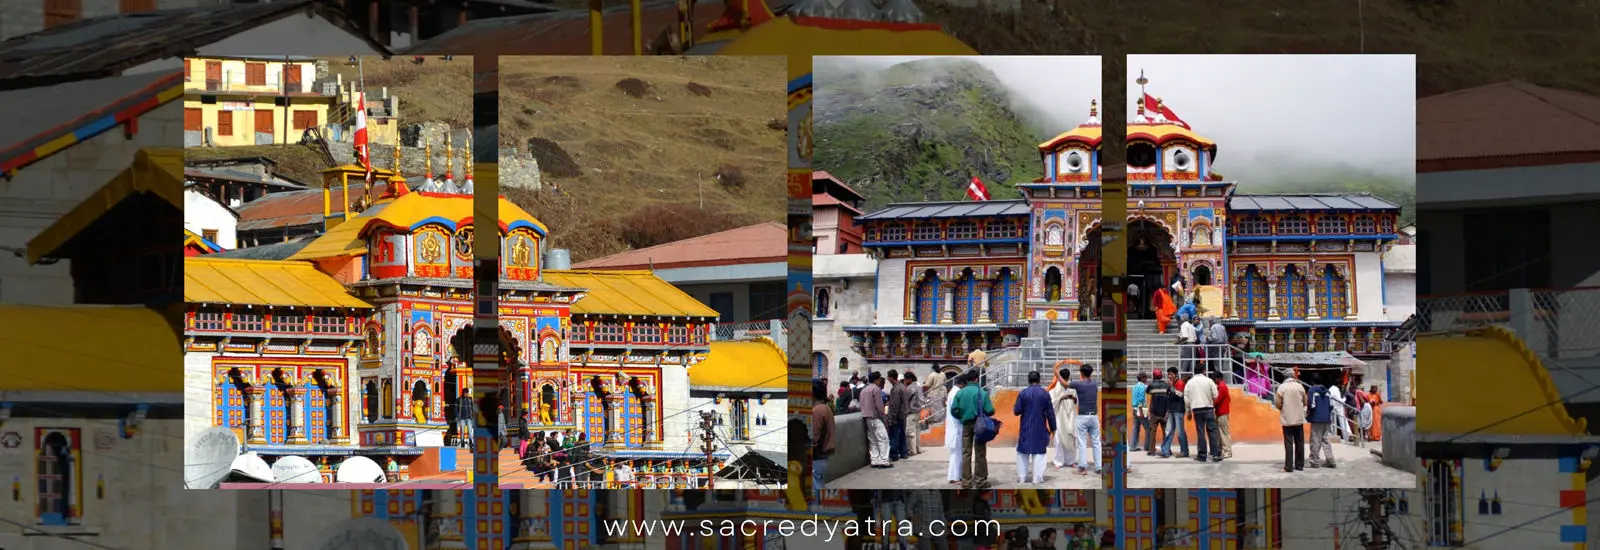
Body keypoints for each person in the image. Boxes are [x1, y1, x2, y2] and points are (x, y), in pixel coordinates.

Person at [950, 369, 995, 489]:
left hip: (966, 424)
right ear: (976, 379)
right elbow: (990, 410)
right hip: (980, 425)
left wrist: (962, 417)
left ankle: (966, 481)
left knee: (966, 453)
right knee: (980, 453)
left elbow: (953, 410)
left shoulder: (960, 393)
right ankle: (980, 480)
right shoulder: (982, 393)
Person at [1013, 370, 1056, 485]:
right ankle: (1037, 478)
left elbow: (1016, 411)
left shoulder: (1023, 393)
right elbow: (1050, 413)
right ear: (1039, 380)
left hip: (1026, 427)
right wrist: (1053, 428)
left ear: (1029, 380)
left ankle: (1022, 478)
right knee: (1039, 453)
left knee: (1022, 452)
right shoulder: (1045, 394)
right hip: (1040, 427)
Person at [1069, 364, 1102, 475]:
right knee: (1096, 442)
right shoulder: (1095, 384)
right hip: (1094, 416)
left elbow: (1065, 384)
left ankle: (1082, 468)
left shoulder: (1078, 384)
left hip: (1083, 416)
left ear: (1081, 373)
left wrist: (1057, 373)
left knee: (1082, 443)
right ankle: (1098, 467)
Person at [1185, 369, 1221, 463]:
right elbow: (1216, 395)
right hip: (1208, 408)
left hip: (1197, 410)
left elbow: (1186, 399)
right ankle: (1215, 454)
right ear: (1204, 371)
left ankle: (1202, 455)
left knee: (1200, 432)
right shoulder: (1209, 381)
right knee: (1212, 431)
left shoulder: (1189, 382)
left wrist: (1188, 412)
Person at [1276, 372, 1308, 472]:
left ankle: (1288, 466)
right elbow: (1305, 401)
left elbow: (1278, 403)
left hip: (1287, 419)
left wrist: (1282, 408)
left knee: (1288, 443)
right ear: (1293, 377)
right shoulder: (1300, 386)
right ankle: (1299, 465)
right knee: (1300, 442)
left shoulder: (1282, 388)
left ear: (1285, 377)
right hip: (1298, 418)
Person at [860, 372, 892, 469]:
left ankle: (874, 460)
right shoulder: (876, 389)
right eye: (879, 379)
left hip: (866, 417)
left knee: (873, 440)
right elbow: (879, 406)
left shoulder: (864, 390)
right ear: (876, 380)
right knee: (883, 439)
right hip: (876, 417)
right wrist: (884, 418)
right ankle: (884, 461)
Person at [1049, 366, 1078, 469]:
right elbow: (1052, 404)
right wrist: (1061, 398)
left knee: (1071, 439)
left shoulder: (1073, 388)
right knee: (1059, 439)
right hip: (1059, 417)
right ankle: (1058, 461)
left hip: (1070, 416)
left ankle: (1071, 461)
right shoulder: (1054, 390)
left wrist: (1073, 398)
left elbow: (1076, 402)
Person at [811, 380, 835, 500]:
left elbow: (813, 438)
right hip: (824, 457)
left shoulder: (817, 411)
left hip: (817, 458)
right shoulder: (826, 408)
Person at [1159, 366, 1189, 458]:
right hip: (1172, 410)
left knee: (1180, 432)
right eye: (1168, 374)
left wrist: (1171, 387)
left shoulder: (1180, 383)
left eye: (1171, 374)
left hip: (1178, 410)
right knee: (1169, 431)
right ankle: (1165, 450)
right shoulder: (1172, 383)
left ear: (1175, 374)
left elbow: (1180, 395)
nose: (1169, 376)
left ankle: (1184, 451)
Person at [1306, 378, 1336, 469]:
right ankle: (1331, 460)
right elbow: (1331, 406)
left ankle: (1314, 461)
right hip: (1326, 418)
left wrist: (1308, 415)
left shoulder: (1312, 390)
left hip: (1316, 418)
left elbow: (1311, 405)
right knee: (1326, 440)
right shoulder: (1327, 391)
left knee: (1315, 440)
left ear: (1312, 381)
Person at [1144, 370, 1170, 456]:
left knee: (1152, 432)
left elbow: (1147, 392)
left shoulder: (1151, 385)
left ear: (1154, 376)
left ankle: (1151, 450)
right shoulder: (1166, 385)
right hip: (1165, 412)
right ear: (1161, 376)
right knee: (1165, 432)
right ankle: (1167, 449)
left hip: (1154, 412)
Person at [945, 372, 965, 484]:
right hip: (956, 427)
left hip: (954, 427)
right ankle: (954, 477)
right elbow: (956, 411)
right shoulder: (956, 393)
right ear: (961, 384)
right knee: (956, 455)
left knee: (956, 454)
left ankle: (956, 476)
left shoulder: (953, 392)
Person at [887, 369, 908, 462]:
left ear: (891, 377)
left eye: (888, 377)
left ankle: (894, 454)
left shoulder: (896, 389)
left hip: (897, 416)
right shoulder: (902, 387)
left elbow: (895, 405)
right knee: (902, 434)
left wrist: (892, 418)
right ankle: (904, 452)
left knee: (895, 435)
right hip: (903, 415)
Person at [1211, 370, 1233, 459]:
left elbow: (1217, 400)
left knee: (1224, 432)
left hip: (1222, 412)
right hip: (1221, 412)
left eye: (1214, 379)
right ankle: (1220, 448)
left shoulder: (1222, 387)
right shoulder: (1221, 386)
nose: (1213, 381)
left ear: (1218, 378)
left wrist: (1210, 403)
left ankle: (1227, 451)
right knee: (1220, 432)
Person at [905, 371, 925, 457]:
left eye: (906, 379)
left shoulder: (910, 388)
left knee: (910, 432)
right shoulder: (918, 387)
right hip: (918, 411)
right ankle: (918, 448)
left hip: (911, 412)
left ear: (909, 379)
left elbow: (906, 399)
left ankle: (912, 450)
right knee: (917, 431)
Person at [1130, 372, 1149, 452]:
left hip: (1134, 408)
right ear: (1142, 378)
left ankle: (1133, 446)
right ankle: (1147, 447)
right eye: (1146, 378)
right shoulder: (1142, 387)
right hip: (1141, 409)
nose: (1146, 379)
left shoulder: (1135, 386)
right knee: (1148, 428)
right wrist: (1141, 411)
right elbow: (1140, 399)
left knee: (1136, 428)